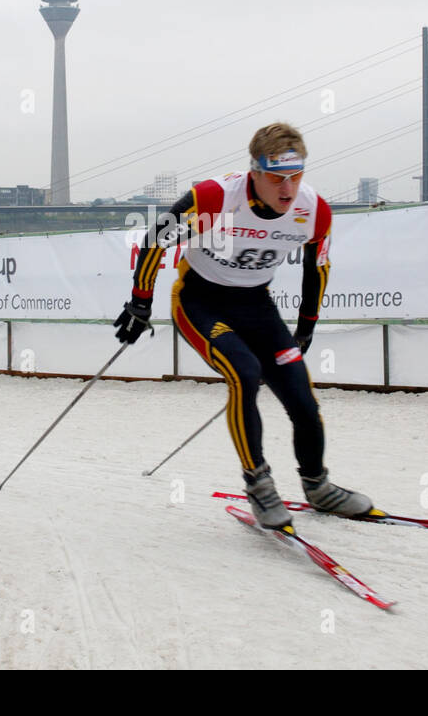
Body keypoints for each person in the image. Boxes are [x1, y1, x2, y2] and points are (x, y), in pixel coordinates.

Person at [114, 122, 371, 529]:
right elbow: (155, 239)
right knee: (245, 374)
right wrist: (140, 302)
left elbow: (316, 268)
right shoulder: (216, 197)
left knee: (302, 398)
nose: (286, 189)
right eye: (275, 178)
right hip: (200, 301)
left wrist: (305, 328)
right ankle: (258, 483)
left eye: (295, 176)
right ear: (254, 172)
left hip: (257, 306)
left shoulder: (313, 210)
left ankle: (317, 485)